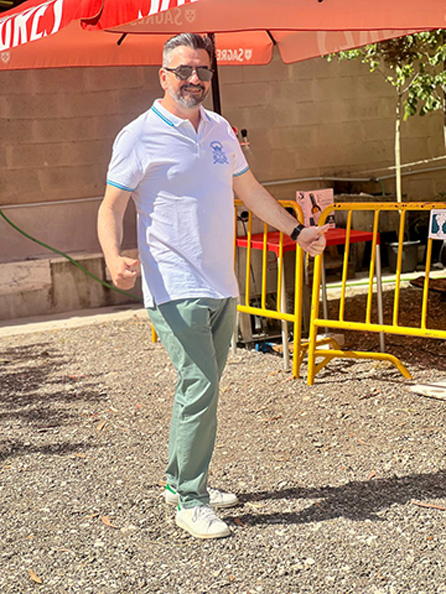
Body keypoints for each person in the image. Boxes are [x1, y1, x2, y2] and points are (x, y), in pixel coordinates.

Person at [97, 33, 328, 540]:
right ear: (163, 75)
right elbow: (111, 206)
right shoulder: (138, 135)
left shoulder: (221, 128)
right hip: (173, 283)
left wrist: (296, 231)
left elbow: (250, 190)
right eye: (183, 70)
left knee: (200, 387)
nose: (194, 78)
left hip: (222, 281)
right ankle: (190, 499)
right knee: (200, 385)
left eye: (202, 69)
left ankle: (178, 479)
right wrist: (113, 258)